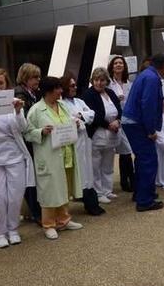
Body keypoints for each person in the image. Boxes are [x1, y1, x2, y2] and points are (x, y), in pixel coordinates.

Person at [24, 76, 85, 239]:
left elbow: (70, 121)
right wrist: (41, 132)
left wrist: (75, 124)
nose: (61, 91)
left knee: (63, 186)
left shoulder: (63, 105)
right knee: (49, 190)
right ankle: (49, 224)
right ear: (48, 91)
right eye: (57, 88)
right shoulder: (36, 110)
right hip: (48, 155)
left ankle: (63, 219)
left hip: (65, 153)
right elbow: (27, 133)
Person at [0, 68, 33, 247]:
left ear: (6, 85)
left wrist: (18, 112)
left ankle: (13, 229)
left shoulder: (14, 103)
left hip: (14, 156)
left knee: (15, 196)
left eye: (0, 83)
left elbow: (23, 128)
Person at [122, 53, 164, 212]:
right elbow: (148, 105)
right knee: (148, 160)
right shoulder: (152, 78)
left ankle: (141, 192)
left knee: (142, 160)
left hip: (132, 121)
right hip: (138, 123)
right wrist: (150, 130)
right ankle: (145, 201)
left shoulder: (146, 74)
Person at [60, 73, 105, 213]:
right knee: (80, 171)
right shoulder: (61, 104)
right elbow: (69, 120)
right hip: (73, 141)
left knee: (87, 168)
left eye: (75, 85)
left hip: (85, 138)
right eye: (72, 85)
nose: (75, 87)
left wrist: (80, 116)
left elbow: (91, 114)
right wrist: (80, 117)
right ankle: (82, 197)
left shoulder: (79, 101)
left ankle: (91, 200)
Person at [83, 67, 123, 210]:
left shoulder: (111, 93)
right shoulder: (88, 94)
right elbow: (93, 115)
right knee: (96, 165)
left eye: (102, 80)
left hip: (112, 134)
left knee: (108, 164)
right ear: (92, 81)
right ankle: (98, 193)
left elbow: (119, 109)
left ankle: (107, 190)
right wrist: (108, 125)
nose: (99, 83)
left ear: (106, 81)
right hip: (98, 134)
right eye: (96, 80)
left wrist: (118, 121)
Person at [15, 63, 42, 223]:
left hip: (32, 139)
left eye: (38, 77)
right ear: (25, 78)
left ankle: (33, 210)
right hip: (25, 141)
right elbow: (25, 119)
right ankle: (35, 212)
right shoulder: (20, 94)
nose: (37, 80)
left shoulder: (33, 93)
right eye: (34, 77)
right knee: (30, 178)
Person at [109, 55, 136, 193]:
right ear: (112, 67)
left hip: (128, 119)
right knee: (124, 150)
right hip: (115, 120)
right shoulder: (109, 83)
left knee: (125, 151)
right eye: (116, 63)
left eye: (121, 63)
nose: (118, 65)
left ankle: (126, 180)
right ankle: (129, 179)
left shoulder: (128, 83)